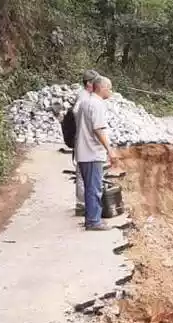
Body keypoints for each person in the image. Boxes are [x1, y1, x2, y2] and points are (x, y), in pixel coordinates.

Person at [75, 75, 114, 231]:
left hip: (84, 152)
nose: (110, 91)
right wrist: (109, 150)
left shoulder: (85, 102)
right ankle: (93, 221)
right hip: (92, 152)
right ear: (102, 88)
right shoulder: (97, 105)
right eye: (109, 88)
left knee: (91, 187)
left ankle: (92, 218)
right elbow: (98, 129)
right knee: (94, 188)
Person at [72, 69, 99, 217]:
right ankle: (82, 204)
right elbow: (76, 112)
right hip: (82, 139)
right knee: (82, 173)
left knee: (86, 172)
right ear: (89, 83)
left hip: (85, 138)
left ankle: (87, 203)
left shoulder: (88, 96)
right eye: (95, 81)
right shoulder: (83, 97)